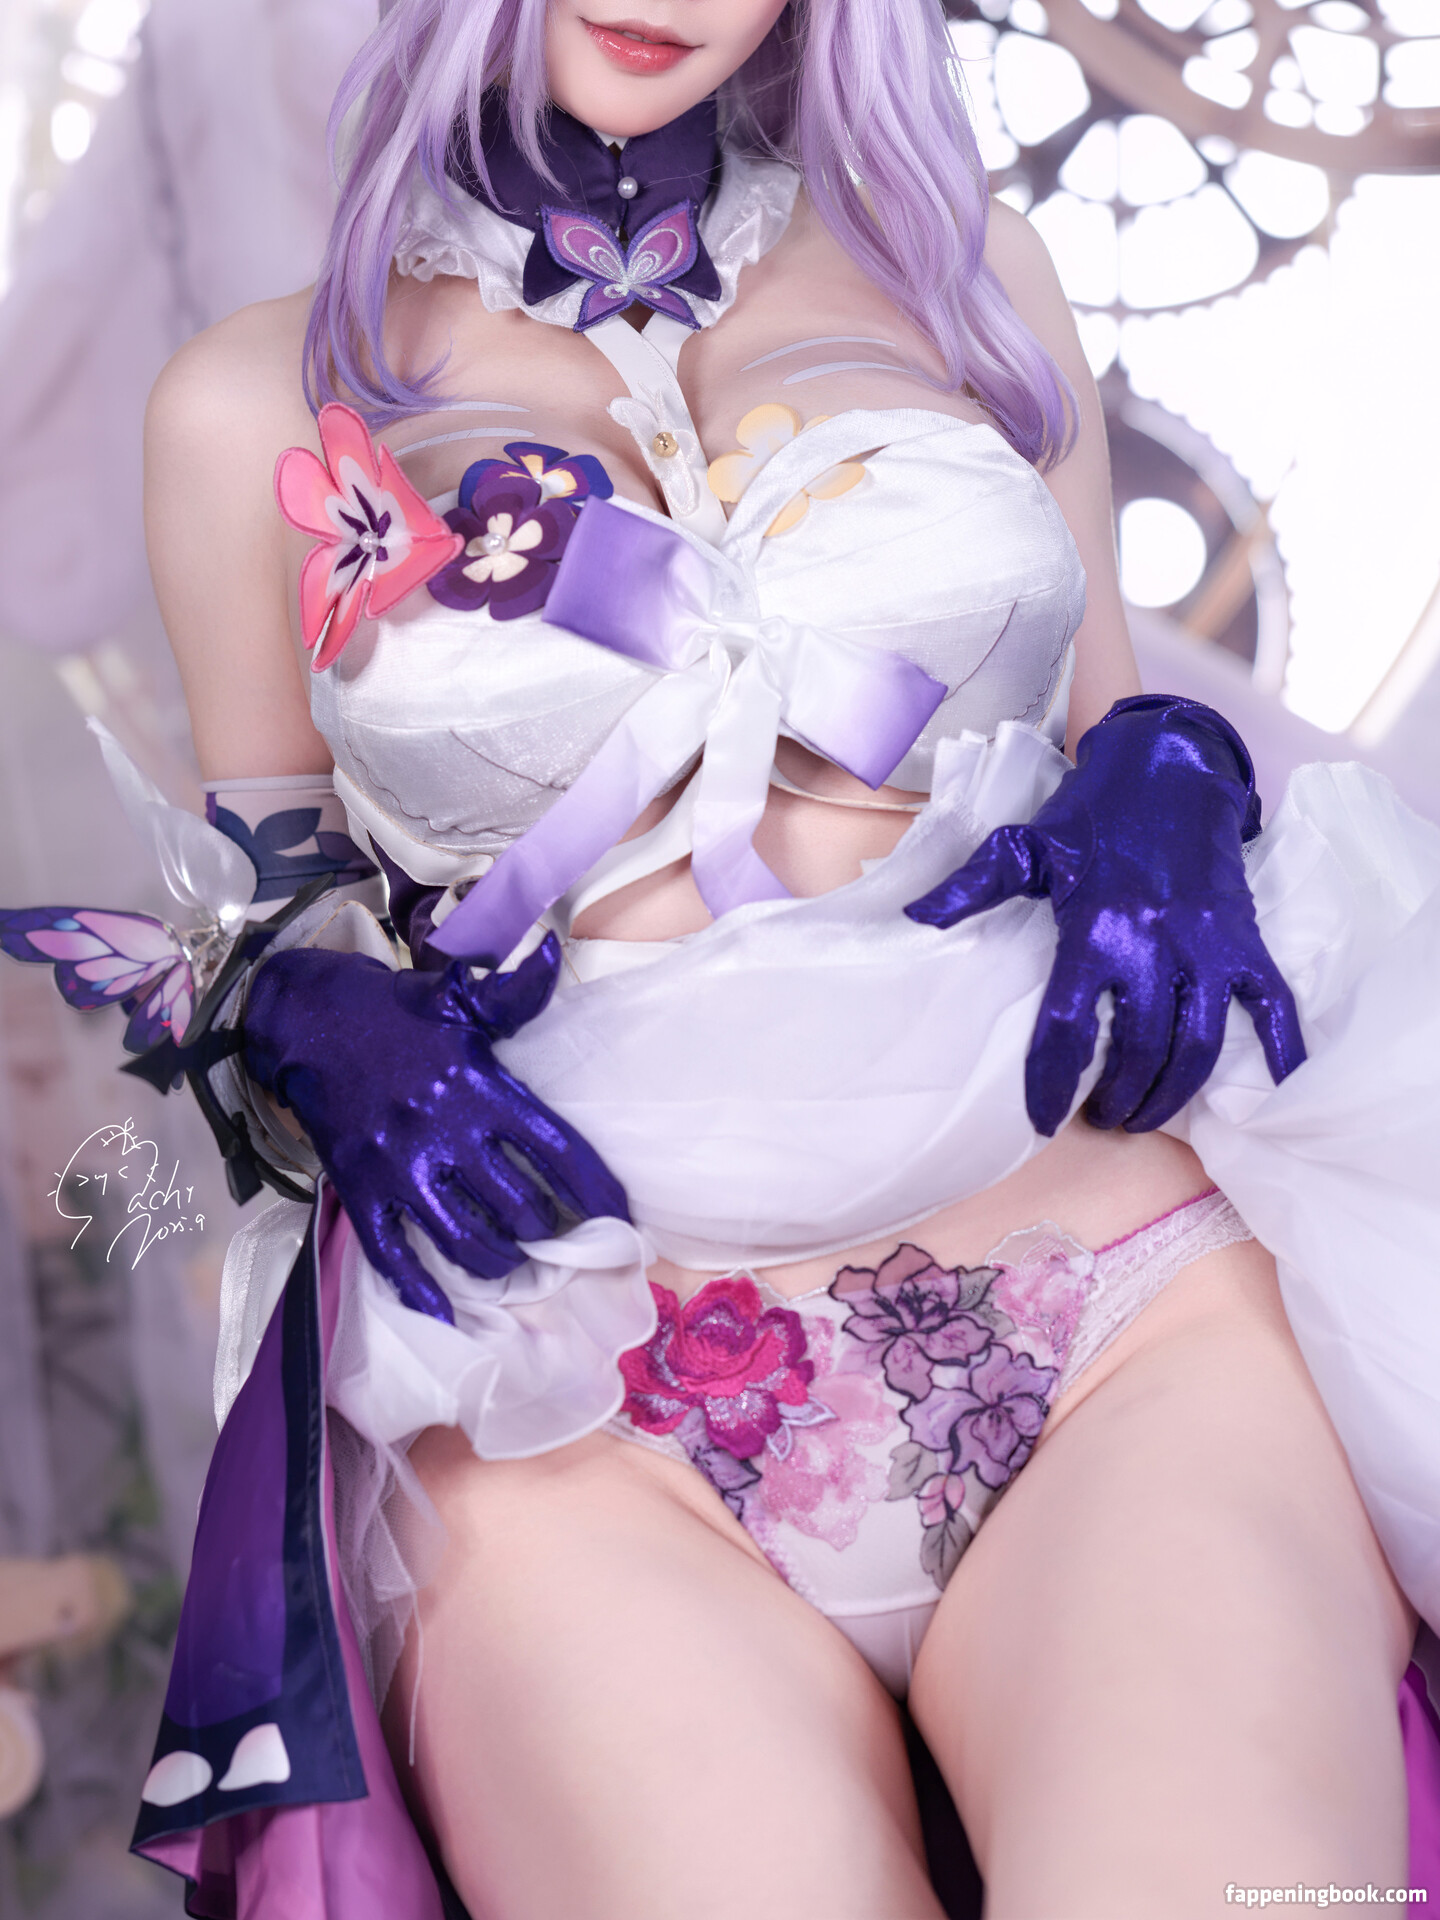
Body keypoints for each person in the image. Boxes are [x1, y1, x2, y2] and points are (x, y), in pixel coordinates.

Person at [10, 1, 1438, 1914]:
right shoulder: (247, 405)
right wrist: (298, 1009)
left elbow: (1117, 720)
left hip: (1122, 1308)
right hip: (579, 1412)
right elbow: (251, 914)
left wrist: (1173, 772)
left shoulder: (973, 279)